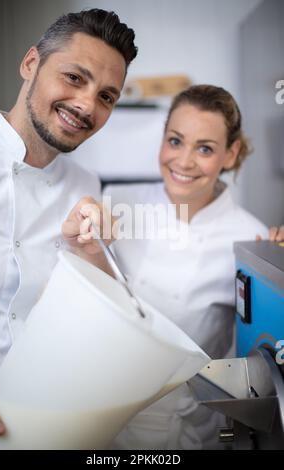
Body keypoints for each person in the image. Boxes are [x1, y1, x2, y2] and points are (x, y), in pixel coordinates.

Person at [0, 8, 137, 438]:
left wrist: (90, 254)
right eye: (75, 78)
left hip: (51, 414)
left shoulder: (86, 186)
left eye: (107, 96)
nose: (87, 105)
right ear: (31, 63)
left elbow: (100, 307)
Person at [104, 84, 272, 450]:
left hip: (191, 430)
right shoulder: (115, 204)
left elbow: (261, 352)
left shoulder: (250, 238)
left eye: (205, 149)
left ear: (231, 154)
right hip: (105, 418)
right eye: (175, 141)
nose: (183, 161)